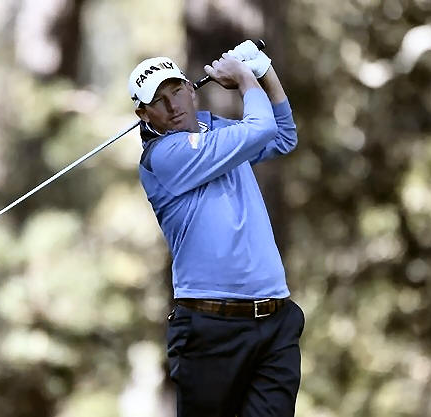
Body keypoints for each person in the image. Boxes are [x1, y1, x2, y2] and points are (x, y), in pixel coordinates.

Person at [128, 41, 304, 417]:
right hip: (210, 326)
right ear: (143, 114)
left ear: (191, 90)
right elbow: (259, 128)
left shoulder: (218, 130)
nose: (173, 106)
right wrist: (244, 78)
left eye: (177, 91)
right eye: (159, 101)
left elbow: (283, 136)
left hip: (275, 320)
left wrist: (265, 72)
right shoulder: (163, 158)